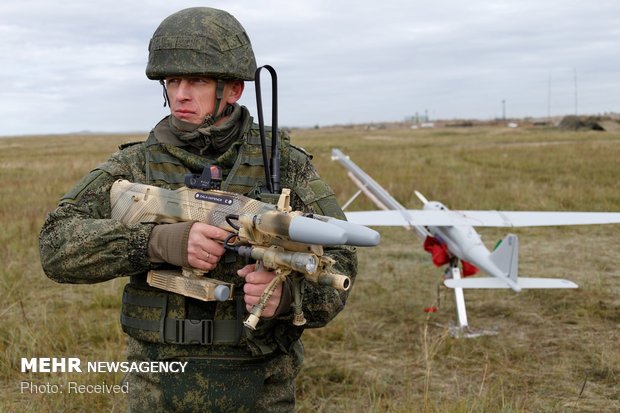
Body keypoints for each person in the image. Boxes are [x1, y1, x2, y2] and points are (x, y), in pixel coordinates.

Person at [39, 7, 357, 413]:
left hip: (262, 383)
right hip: (158, 386)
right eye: (172, 81)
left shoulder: (286, 164)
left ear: (235, 90)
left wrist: (290, 297)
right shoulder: (135, 166)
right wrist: (156, 242)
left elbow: (343, 258)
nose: (181, 94)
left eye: (198, 81)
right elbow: (55, 245)